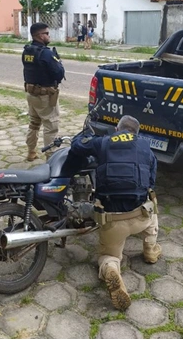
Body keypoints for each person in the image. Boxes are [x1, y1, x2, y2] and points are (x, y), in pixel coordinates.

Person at [68, 115, 160, 311]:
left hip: (112, 221)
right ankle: (150, 249)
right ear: (137, 132)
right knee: (153, 202)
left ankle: (111, 268)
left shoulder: (103, 142)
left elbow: (77, 147)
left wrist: (81, 136)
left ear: (117, 129)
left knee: (109, 255)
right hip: (141, 216)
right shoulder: (145, 146)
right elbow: (151, 181)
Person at [22, 23, 65, 162]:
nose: (49, 35)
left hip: (31, 94)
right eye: (47, 33)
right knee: (51, 126)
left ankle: (31, 152)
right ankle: (51, 158)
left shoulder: (28, 51)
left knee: (34, 123)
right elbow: (58, 73)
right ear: (40, 35)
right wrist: (59, 62)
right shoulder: (46, 53)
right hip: (45, 96)